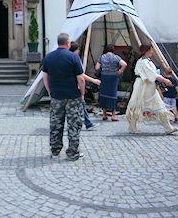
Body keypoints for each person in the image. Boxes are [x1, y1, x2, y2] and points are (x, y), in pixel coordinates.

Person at [42, 33, 85, 161]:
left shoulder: (49, 57)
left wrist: (50, 91)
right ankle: (72, 152)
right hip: (73, 96)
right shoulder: (73, 57)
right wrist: (82, 93)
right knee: (74, 124)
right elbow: (81, 78)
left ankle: (55, 151)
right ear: (68, 43)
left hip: (56, 96)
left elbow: (45, 77)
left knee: (56, 124)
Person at [125, 44, 178, 134]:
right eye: (151, 50)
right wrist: (165, 80)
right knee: (137, 104)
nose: (152, 52)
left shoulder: (148, 61)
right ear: (146, 51)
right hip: (142, 86)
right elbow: (152, 74)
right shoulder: (143, 62)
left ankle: (168, 127)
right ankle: (132, 127)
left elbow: (153, 74)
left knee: (159, 105)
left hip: (150, 86)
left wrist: (162, 80)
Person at [70, 42, 101, 130]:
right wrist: (92, 81)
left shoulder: (67, 58)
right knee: (80, 105)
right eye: (78, 49)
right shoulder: (75, 59)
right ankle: (87, 123)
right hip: (74, 86)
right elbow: (81, 76)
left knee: (77, 106)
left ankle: (86, 123)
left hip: (66, 87)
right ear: (75, 50)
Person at [95, 44, 127, 121]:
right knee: (113, 94)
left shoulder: (102, 57)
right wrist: (120, 71)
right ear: (113, 50)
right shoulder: (116, 57)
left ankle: (104, 114)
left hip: (104, 77)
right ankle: (113, 115)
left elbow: (97, 67)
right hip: (113, 77)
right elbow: (124, 64)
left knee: (104, 94)